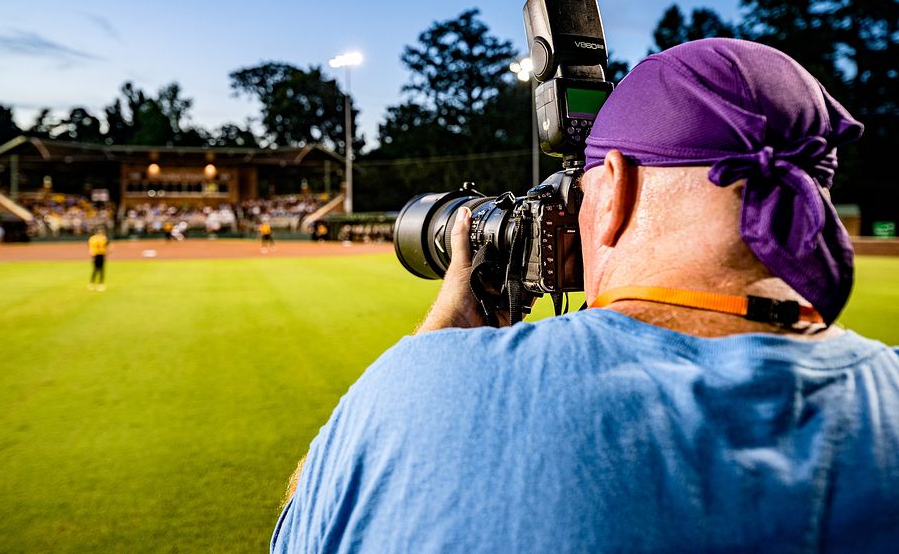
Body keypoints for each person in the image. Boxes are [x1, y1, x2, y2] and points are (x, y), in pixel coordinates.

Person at [271, 39, 899, 553]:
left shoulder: (414, 393)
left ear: (617, 189)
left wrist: (439, 345)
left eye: (581, 194)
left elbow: (302, 527)